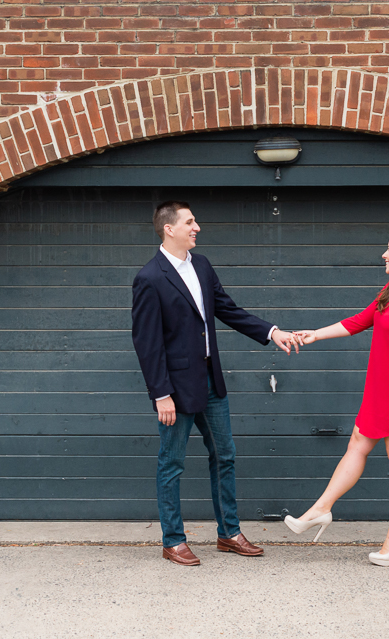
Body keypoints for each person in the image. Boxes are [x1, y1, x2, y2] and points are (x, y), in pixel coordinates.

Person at [132, 200, 299, 566]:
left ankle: (229, 533)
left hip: (211, 380)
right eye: (190, 222)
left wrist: (272, 332)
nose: (198, 227)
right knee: (171, 463)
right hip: (175, 388)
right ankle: (173, 540)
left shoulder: (202, 266)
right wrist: (161, 394)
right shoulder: (150, 278)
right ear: (169, 229)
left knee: (225, 456)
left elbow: (227, 309)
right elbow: (147, 343)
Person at [285, 228, 389, 567]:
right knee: (357, 443)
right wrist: (314, 335)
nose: (384, 255)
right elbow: (359, 321)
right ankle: (321, 509)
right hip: (380, 384)